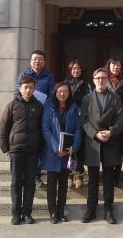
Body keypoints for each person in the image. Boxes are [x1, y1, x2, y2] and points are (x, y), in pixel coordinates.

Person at [80, 67, 123, 224]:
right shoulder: (86, 99)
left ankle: (108, 210)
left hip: (110, 143)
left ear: (108, 80)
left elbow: (121, 119)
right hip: (93, 144)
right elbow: (84, 120)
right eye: (98, 78)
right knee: (92, 180)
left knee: (108, 181)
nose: (100, 80)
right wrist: (95, 133)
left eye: (103, 78)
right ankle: (91, 210)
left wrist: (111, 132)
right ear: (93, 80)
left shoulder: (115, 98)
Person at [0, 75, 44, 225]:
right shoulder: (12, 105)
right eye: (26, 87)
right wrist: (5, 148)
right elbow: (3, 127)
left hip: (33, 151)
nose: (28, 90)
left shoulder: (39, 106)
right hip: (16, 150)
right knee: (16, 183)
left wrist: (41, 149)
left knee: (30, 183)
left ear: (35, 88)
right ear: (20, 88)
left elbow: (42, 129)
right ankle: (16, 214)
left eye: (31, 87)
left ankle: (27, 213)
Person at [41, 81, 82, 224]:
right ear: (55, 92)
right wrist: (56, 147)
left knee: (64, 184)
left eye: (65, 91)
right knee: (51, 184)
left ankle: (61, 210)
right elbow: (45, 129)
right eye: (60, 91)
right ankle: (53, 212)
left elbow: (78, 129)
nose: (62, 94)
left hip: (67, 152)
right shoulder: (49, 107)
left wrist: (74, 147)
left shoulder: (74, 107)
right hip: (53, 152)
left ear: (69, 93)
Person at [15, 50, 55, 189]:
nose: (37, 61)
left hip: (41, 113)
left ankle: (36, 174)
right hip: (26, 114)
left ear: (44, 62)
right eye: (34, 59)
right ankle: (23, 175)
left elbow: (52, 95)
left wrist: (42, 105)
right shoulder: (24, 75)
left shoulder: (49, 76)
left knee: (38, 145)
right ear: (30, 61)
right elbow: (17, 93)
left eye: (40, 59)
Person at [63, 60, 92, 189]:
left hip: (81, 119)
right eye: (74, 68)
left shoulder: (86, 85)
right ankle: (69, 174)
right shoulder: (64, 83)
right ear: (70, 70)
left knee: (79, 146)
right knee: (67, 146)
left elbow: (90, 102)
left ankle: (79, 174)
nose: (76, 71)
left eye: (78, 68)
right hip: (67, 118)